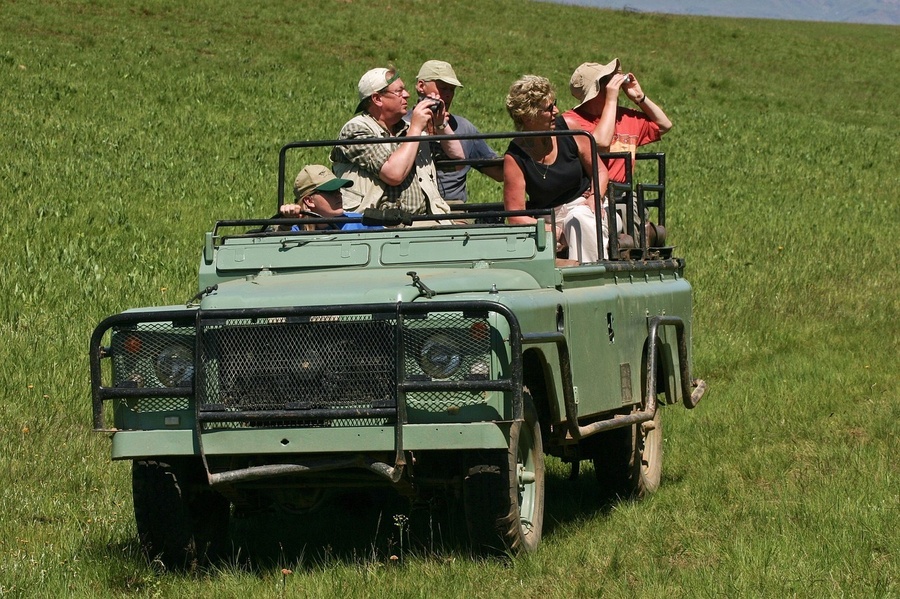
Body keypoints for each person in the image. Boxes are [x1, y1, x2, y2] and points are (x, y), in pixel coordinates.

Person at [330, 66, 464, 220]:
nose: (407, 95)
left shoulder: (407, 130)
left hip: (421, 221)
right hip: (376, 223)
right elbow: (393, 174)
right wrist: (416, 127)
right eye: (399, 91)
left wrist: (441, 124)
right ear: (377, 99)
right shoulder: (355, 130)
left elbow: (458, 161)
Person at [502, 75, 610, 263]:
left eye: (555, 104)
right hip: (550, 218)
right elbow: (516, 215)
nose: (556, 111)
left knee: (578, 219)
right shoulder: (515, 157)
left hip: (587, 206)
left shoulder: (570, 129)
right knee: (573, 222)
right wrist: (550, 229)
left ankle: (589, 276)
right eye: (548, 108)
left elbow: (600, 171)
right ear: (529, 116)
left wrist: (595, 196)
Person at [563, 59, 672, 239]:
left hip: (623, 192)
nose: (616, 83)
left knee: (633, 212)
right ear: (597, 89)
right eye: (608, 80)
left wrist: (640, 98)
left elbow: (664, 124)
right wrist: (611, 99)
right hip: (588, 193)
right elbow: (601, 142)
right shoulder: (572, 121)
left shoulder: (626, 118)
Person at [411, 60, 503, 202]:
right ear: (421, 86)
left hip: (453, 209)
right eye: (443, 88)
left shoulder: (463, 127)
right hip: (414, 208)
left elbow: (499, 173)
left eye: (451, 90)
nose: (448, 95)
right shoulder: (401, 124)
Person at [279, 164, 381, 231]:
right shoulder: (295, 229)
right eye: (331, 191)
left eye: (338, 190)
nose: (339, 195)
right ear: (309, 200)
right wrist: (285, 222)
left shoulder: (360, 223)